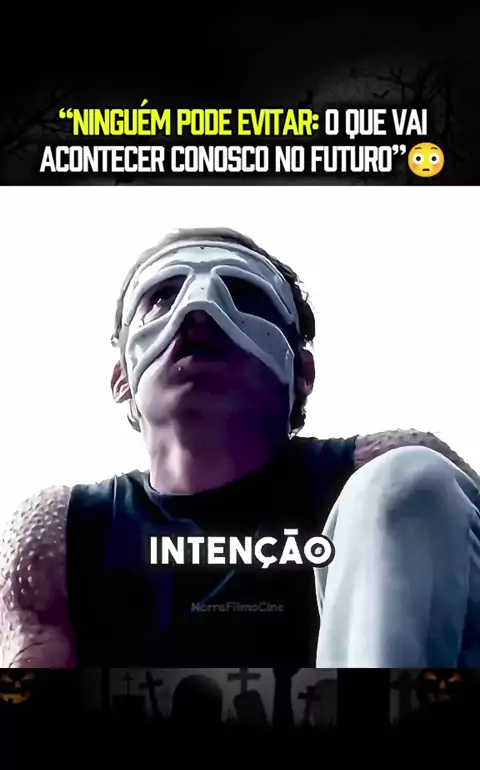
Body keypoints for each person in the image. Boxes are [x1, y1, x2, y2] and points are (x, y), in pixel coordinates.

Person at [1, 227, 479, 669]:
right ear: (121, 378)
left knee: (406, 481)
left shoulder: (381, 474)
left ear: (302, 374)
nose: (199, 310)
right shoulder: (60, 534)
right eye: (161, 297)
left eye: (244, 294)